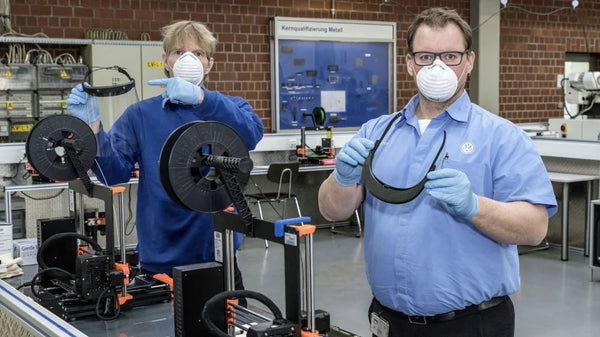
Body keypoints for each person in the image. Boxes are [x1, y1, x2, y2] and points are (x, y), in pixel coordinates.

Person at [318, 7, 556, 337]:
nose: (439, 66)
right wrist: (342, 178)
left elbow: (535, 227)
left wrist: (475, 206)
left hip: (470, 324)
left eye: (451, 56)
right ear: (409, 63)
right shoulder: (376, 132)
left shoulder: (502, 137)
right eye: (427, 56)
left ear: (469, 61)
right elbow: (331, 210)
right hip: (388, 321)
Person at [66, 20, 264, 291]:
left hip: (217, 253)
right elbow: (112, 174)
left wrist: (203, 100)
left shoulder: (229, 107)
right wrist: (92, 128)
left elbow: (252, 134)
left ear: (209, 64)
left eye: (198, 54)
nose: (188, 60)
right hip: (160, 259)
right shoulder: (141, 115)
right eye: (179, 52)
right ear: (166, 60)